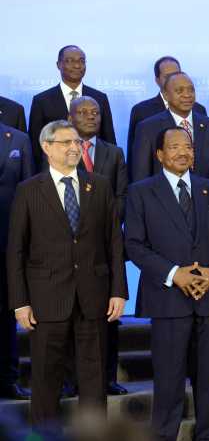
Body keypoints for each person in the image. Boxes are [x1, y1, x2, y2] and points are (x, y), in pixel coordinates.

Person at [6, 120, 127, 432]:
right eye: (65, 143)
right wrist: (20, 302)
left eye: (76, 142)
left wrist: (118, 291)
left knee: (93, 380)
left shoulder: (99, 185)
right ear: (46, 148)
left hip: (94, 297)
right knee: (46, 381)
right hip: (47, 299)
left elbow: (114, 242)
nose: (74, 148)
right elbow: (16, 250)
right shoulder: (29, 190)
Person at [125, 126, 209, 441]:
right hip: (167, 300)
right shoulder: (141, 192)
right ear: (159, 155)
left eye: (187, 146)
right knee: (169, 380)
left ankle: (208, 436)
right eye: (173, 147)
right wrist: (175, 274)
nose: (182, 152)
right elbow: (134, 244)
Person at [68, 96, 129, 396]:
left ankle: (107, 378)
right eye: (84, 112)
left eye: (96, 112)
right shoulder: (60, 148)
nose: (91, 117)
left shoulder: (114, 153)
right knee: (69, 312)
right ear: (70, 116)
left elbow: (121, 196)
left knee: (108, 315)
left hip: (104, 245)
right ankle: (71, 380)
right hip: (67, 245)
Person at [130, 72, 209, 184]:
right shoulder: (147, 128)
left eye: (191, 90)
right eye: (179, 91)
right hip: (162, 199)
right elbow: (141, 177)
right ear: (166, 95)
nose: (187, 95)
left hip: (206, 199)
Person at [28, 46, 116, 169]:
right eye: (70, 61)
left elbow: (109, 139)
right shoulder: (42, 100)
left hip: (95, 172)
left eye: (81, 61)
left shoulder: (100, 98)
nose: (77, 66)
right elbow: (34, 145)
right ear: (58, 64)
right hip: (54, 172)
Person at [0, 122, 33, 400]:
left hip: (7, 243)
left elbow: (29, 193)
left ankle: (8, 379)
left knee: (7, 314)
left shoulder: (18, 139)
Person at [126, 56, 207, 163]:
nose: (174, 80)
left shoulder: (199, 109)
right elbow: (136, 159)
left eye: (177, 74)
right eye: (168, 76)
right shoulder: (141, 111)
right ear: (157, 80)